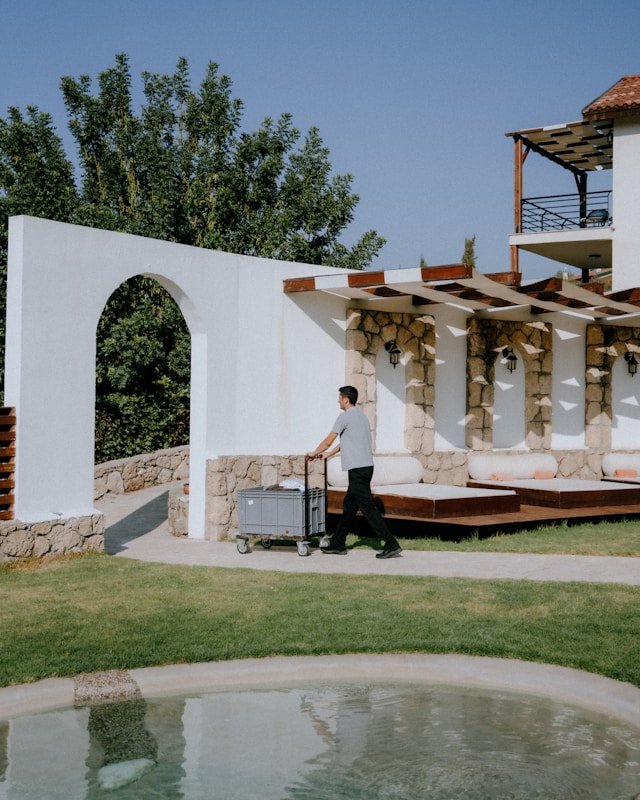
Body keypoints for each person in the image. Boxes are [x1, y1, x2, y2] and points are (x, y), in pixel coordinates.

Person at [308, 385, 402, 559]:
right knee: (349, 507)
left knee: (368, 508)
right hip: (366, 467)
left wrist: (314, 452)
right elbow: (347, 441)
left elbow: (329, 440)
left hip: (357, 469)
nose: (338, 400)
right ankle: (338, 543)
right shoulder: (362, 418)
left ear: (345, 399)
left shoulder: (344, 417)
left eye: (339, 397)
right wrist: (329, 454)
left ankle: (391, 543)